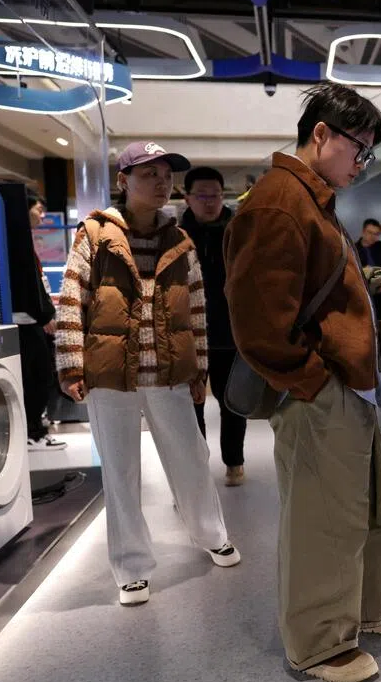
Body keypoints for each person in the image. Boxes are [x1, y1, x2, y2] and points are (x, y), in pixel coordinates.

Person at [224, 83, 381, 682]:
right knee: (322, 516)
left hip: (349, 382)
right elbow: (258, 319)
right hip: (321, 389)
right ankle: (315, 642)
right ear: (321, 135)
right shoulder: (280, 203)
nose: (362, 165)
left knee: (360, 506)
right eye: (360, 150)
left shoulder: (312, 200)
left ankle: (360, 609)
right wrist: (312, 381)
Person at [56, 141, 242, 606]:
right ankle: (132, 566)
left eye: (165, 175)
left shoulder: (180, 242)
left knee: (191, 459)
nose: (161, 183)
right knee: (120, 473)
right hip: (109, 373)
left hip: (169, 373)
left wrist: (199, 368)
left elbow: (196, 309)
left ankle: (211, 533)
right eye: (149, 175)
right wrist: (71, 364)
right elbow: (72, 301)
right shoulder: (95, 236)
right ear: (124, 182)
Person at [183, 166, 247, 487]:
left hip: (231, 333)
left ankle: (234, 461)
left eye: (216, 195)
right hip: (188, 335)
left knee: (232, 401)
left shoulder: (239, 230)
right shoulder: (176, 234)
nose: (209, 202)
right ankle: (195, 467)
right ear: (187, 197)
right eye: (202, 195)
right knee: (190, 404)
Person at [18, 194, 65, 451]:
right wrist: (45, 314)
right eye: (39, 209)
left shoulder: (24, 241)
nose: (43, 215)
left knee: (40, 376)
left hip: (34, 319)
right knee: (36, 376)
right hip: (28, 322)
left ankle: (35, 429)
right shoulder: (16, 242)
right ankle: (32, 433)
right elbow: (29, 285)